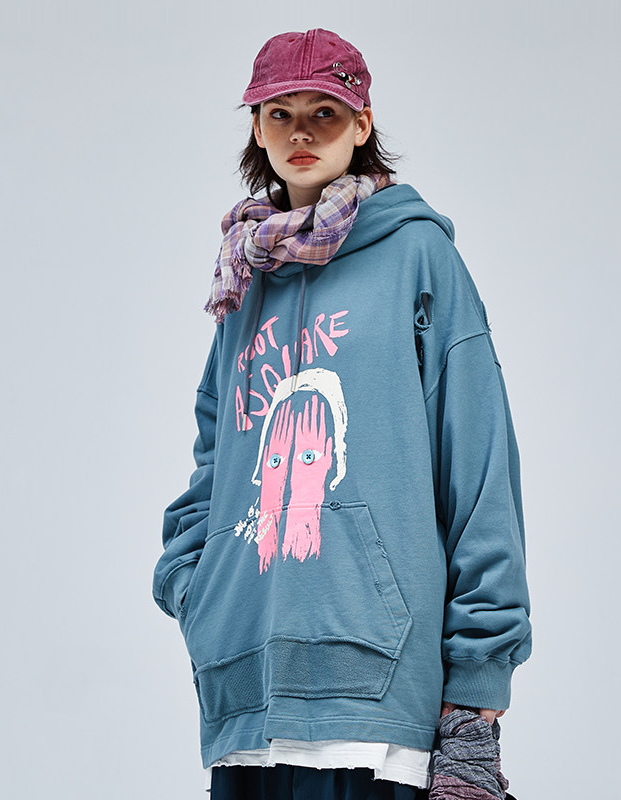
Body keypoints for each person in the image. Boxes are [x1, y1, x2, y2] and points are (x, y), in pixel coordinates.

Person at [153, 28, 531, 800]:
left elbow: (479, 466)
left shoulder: (418, 257)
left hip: (377, 706)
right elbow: (212, 463)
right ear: (257, 128)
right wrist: (198, 588)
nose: (301, 132)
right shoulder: (245, 280)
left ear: (362, 125)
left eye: (323, 112)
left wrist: (478, 682)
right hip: (245, 699)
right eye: (280, 114)